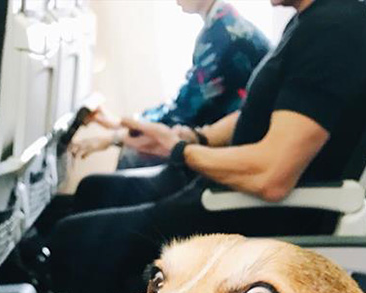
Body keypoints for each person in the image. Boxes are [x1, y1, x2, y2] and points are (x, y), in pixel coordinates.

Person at [25, 0, 366, 293]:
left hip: (261, 210)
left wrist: (178, 152)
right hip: (230, 190)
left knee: (75, 237)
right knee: (95, 190)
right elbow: (260, 113)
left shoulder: (338, 28)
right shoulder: (313, 22)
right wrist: (191, 139)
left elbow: (273, 175)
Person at [76, 0, 271, 170]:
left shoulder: (223, 35)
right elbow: (187, 98)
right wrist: (122, 124)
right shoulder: (222, 24)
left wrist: (119, 133)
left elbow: (186, 111)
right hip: (227, 133)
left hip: (234, 143)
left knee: (133, 157)